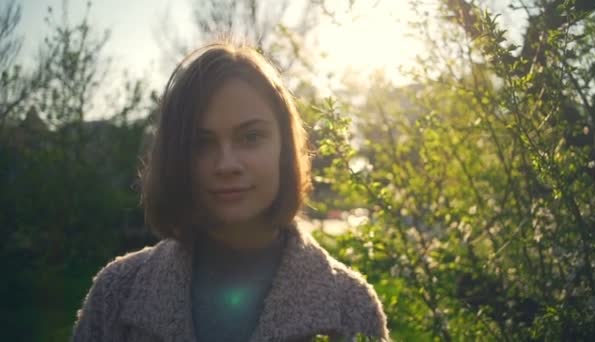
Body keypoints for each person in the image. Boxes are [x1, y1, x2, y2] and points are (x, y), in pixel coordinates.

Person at [72, 41, 389, 342]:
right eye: (202, 142)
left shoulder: (352, 306)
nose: (226, 164)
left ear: (285, 148)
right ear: (175, 157)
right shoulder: (115, 293)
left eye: (250, 137)